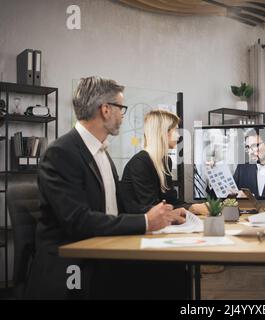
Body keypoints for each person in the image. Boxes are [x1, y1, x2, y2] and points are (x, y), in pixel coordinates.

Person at [26, 76, 186, 299]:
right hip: (73, 266)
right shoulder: (62, 152)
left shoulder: (100, 152)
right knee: (164, 280)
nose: (123, 115)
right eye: (122, 108)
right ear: (106, 110)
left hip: (104, 249)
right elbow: (78, 221)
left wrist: (159, 216)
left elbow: (116, 209)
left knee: (174, 272)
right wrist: (146, 221)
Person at [121, 109, 183, 212]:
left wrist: (192, 208)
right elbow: (150, 207)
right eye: (175, 130)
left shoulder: (166, 161)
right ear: (163, 132)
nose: (179, 135)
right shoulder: (140, 162)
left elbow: (172, 201)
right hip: (140, 225)